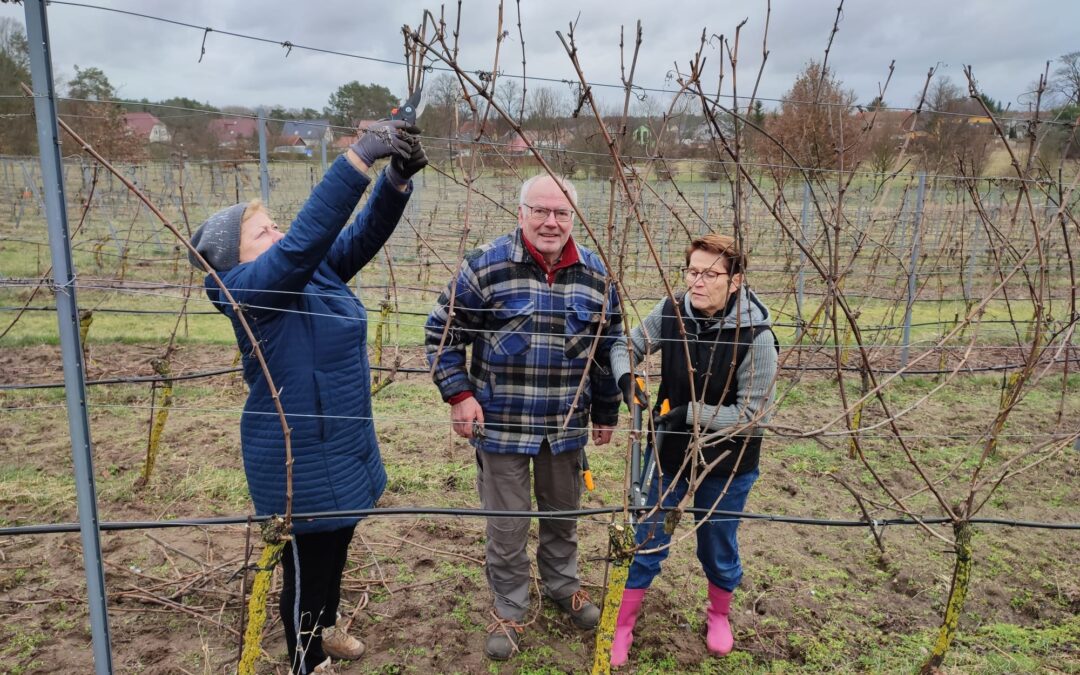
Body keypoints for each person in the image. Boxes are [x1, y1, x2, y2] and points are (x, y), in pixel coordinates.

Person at [189, 121, 427, 674]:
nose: (277, 233)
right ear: (232, 258)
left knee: (336, 549)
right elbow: (303, 243)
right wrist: (355, 161)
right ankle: (304, 660)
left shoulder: (309, 275)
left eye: (274, 225)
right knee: (307, 567)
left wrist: (394, 181)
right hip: (298, 454)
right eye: (262, 232)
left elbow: (359, 238)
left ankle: (324, 630)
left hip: (340, 442)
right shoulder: (245, 292)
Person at [424, 174, 623, 661]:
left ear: (573, 218)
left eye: (561, 213)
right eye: (541, 211)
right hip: (501, 426)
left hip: (565, 427)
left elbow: (608, 347)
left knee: (563, 516)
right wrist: (459, 396)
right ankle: (509, 607)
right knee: (507, 525)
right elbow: (441, 334)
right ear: (521, 213)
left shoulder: (598, 277)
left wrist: (606, 410)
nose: (551, 222)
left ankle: (563, 586)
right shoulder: (485, 268)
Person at [607, 233, 778, 667]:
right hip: (668, 451)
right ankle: (623, 624)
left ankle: (719, 614)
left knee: (716, 541)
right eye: (691, 272)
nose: (696, 282)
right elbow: (624, 345)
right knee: (647, 535)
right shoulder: (670, 312)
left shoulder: (756, 335)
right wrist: (629, 380)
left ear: (735, 280)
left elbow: (752, 417)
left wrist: (690, 413)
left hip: (728, 460)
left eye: (710, 274)